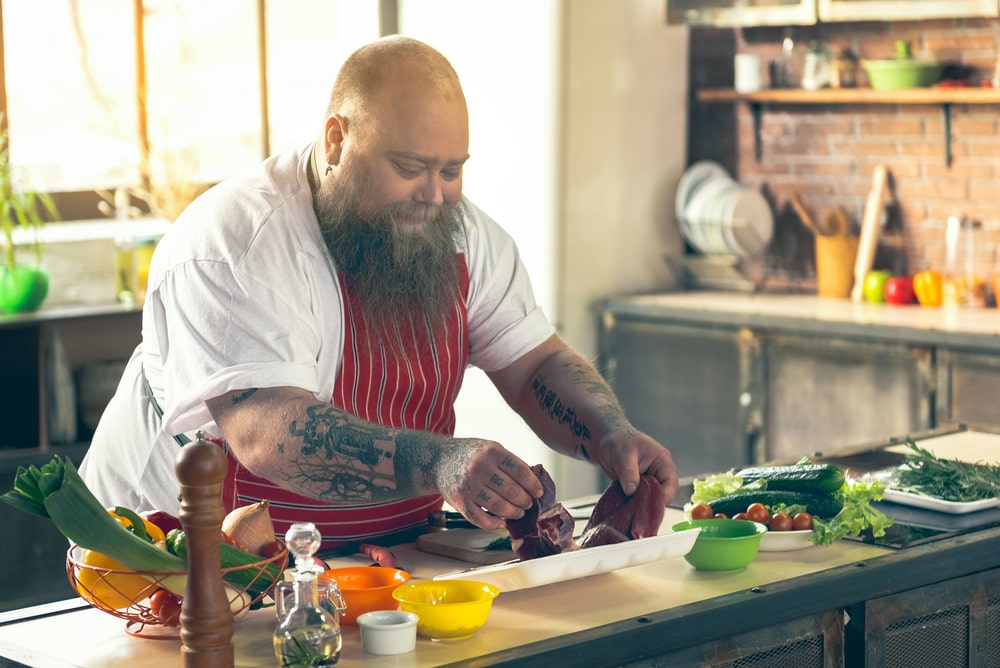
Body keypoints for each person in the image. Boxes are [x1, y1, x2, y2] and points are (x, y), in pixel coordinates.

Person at [79, 35, 678, 551]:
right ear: (336, 140)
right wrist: (440, 462)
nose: (435, 195)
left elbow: (536, 364)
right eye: (411, 166)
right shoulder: (239, 240)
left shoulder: (468, 238)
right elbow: (267, 431)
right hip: (174, 554)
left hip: (381, 555)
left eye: (451, 169)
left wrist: (608, 432)